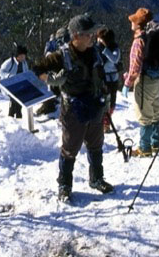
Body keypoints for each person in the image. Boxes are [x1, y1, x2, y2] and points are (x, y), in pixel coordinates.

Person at [32, 14, 114, 202]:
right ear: (76, 36)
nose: (93, 37)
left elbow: (101, 76)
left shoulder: (95, 52)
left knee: (96, 145)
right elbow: (37, 68)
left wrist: (106, 100)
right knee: (70, 148)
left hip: (94, 104)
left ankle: (96, 179)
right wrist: (53, 80)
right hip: (73, 109)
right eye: (89, 34)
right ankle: (64, 185)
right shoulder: (62, 56)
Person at [122, 7, 159, 157]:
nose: (131, 23)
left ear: (139, 23)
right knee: (156, 112)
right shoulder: (154, 36)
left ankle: (144, 148)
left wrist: (127, 83)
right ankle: (157, 144)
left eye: (133, 20)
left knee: (144, 115)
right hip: (157, 80)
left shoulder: (139, 41)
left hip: (144, 81)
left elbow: (135, 66)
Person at [96, 27, 121, 133]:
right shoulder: (97, 49)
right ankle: (104, 123)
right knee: (104, 101)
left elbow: (115, 59)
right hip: (103, 78)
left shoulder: (114, 49)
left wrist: (104, 49)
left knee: (112, 102)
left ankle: (106, 122)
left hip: (113, 78)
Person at [0, 45, 29, 118]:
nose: (23, 58)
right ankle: (11, 117)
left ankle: (18, 117)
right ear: (17, 56)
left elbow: (26, 72)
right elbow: (0, 72)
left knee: (19, 102)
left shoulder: (24, 63)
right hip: (9, 85)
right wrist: (9, 76)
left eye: (24, 56)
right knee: (14, 101)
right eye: (21, 56)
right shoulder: (10, 62)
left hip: (20, 85)